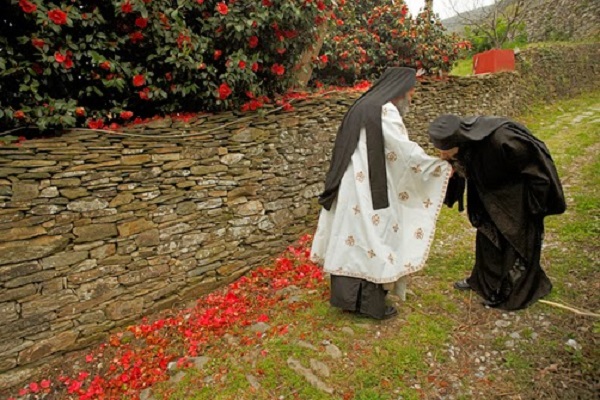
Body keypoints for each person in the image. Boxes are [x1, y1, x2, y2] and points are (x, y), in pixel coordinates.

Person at [310, 67, 452, 320]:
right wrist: (437, 167)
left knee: (351, 238)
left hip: (349, 183)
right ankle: (370, 305)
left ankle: (348, 299)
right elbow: (403, 152)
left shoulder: (361, 105)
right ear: (399, 89)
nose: (412, 96)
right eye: (411, 91)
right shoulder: (384, 111)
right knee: (373, 239)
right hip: (369, 188)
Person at [427, 115, 566, 310]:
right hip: (489, 196)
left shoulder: (503, 138)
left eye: (444, 151)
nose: (442, 155)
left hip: (518, 198)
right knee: (487, 237)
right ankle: (483, 282)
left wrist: (535, 205)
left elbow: (538, 169)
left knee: (516, 242)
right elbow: (466, 164)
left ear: (457, 141)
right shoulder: (467, 145)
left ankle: (516, 292)